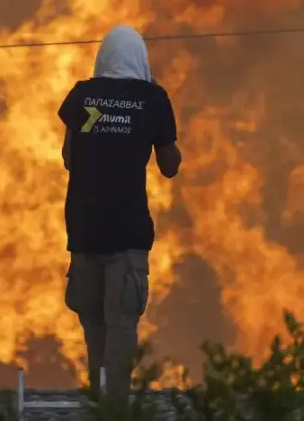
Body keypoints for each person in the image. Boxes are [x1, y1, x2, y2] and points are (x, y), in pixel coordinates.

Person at [56, 24, 181, 406]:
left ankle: (99, 398)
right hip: (128, 233)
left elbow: (68, 158)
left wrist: (101, 135)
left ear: (103, 58)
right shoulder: (152, 99)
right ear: (140, 59)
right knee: (122, 322)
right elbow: (170, 167)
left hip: (85, 230)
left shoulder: (83, 96)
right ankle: (115, 406)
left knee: (94, 322)